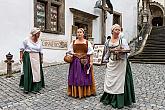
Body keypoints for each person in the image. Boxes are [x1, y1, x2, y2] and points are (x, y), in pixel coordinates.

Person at [100, 24, 135, 109]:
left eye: (119, 30)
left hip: (121, 63)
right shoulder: (108, 41)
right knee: (110, 80)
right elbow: (107, 52)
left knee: (120, 82)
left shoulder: (122, 40)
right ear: (112, 31)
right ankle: (109, 98)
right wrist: (104, 61)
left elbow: (128, 51)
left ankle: (120, 100)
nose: (117, 31)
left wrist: (121, 51)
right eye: (116, 30)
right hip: (112, 63)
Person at [66, 28, 96, 98]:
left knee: (84, 76)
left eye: (80, 32)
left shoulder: (87, 42)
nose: (79, 33)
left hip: (85, 61)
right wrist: (69, 56)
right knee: (75, 76)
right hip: (75, 62)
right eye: (78, 32)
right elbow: (69, 51)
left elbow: (91, 53)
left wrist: (91, 61)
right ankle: (75, 92)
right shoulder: (73, 42)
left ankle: (86, 92)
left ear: (83, 34)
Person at [19, 27, 45, 94]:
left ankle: (35, 88)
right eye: (38, 33)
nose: (39, 35)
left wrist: (41, 58)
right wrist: (21, 57)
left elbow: (41, 51)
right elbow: (21, 49)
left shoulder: (39, 41)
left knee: (36, 73)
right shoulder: (26, 40)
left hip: (37, 57)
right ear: (34, 34)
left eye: (39, 33)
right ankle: (27, 87)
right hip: (28, 57)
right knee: (29, 72)